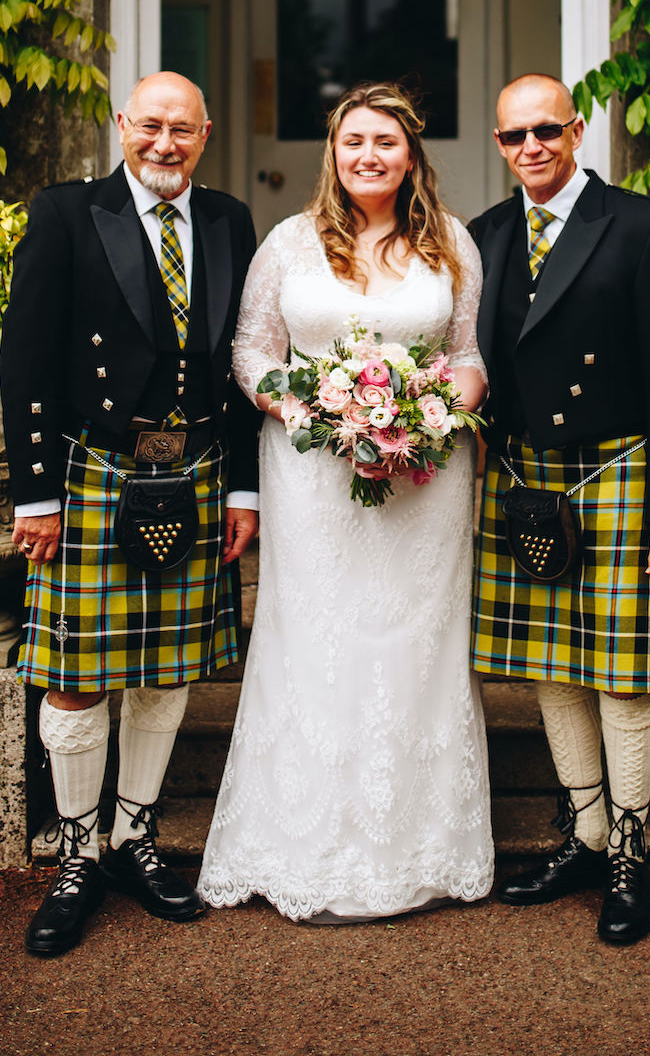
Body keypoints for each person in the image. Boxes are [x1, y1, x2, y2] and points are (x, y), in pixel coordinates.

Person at [197, 82, 494, 922]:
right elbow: (251, 351)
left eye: (386, 143)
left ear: (411, 156)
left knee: (413, 645)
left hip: (424, 481)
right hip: (311, 476)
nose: (369, 155)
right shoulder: (289, 244)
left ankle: (418, 848)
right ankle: (299, 844)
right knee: (313, 639)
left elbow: (467, 353)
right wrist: (304, 410)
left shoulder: (452, 245)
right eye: (353, 141)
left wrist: (437, 415)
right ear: (332, 151)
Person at [1, 71, 259, 957]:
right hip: (94, 474)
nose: (163, 143)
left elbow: (237, 369)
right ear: (121, 126)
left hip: (192, 471)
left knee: (166, 669)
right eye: (149, 125)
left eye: (181, 129)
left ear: (205, 133)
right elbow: (25, 361)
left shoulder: (226, 220)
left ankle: (134, 837)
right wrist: (36, 495)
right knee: (79, 670)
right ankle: (76, 854)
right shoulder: (66, 214)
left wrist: (242, 488)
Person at [470, 72, 650, 946]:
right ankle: (583, 830)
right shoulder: (487, 234)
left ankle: (629, 853)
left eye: (545, 129)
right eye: (512, 137)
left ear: (576, 130)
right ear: (498, 147)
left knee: (624, 673)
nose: (530, 146)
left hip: (617, 473)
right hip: (526, 478)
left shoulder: (640, 226)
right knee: (551, 664)